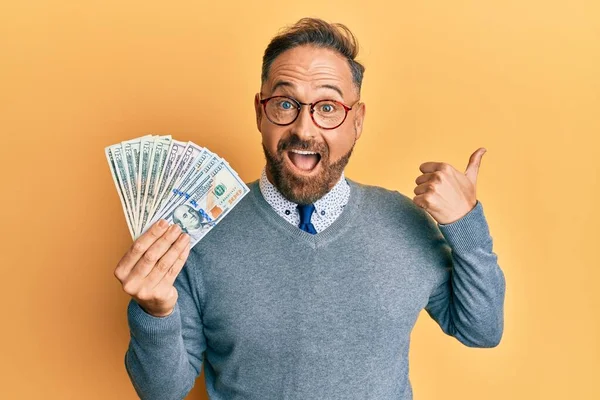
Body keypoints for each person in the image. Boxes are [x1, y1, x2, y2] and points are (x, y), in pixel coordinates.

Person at [114, 17, 506, 400]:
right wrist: (155, 312)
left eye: (329, 107)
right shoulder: (198, 230)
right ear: (258, 111)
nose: (304, 129)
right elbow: (162, 391)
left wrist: (466, 224)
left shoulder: (406, 223)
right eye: (286, 103)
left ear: (358, 120)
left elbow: (481, 330)